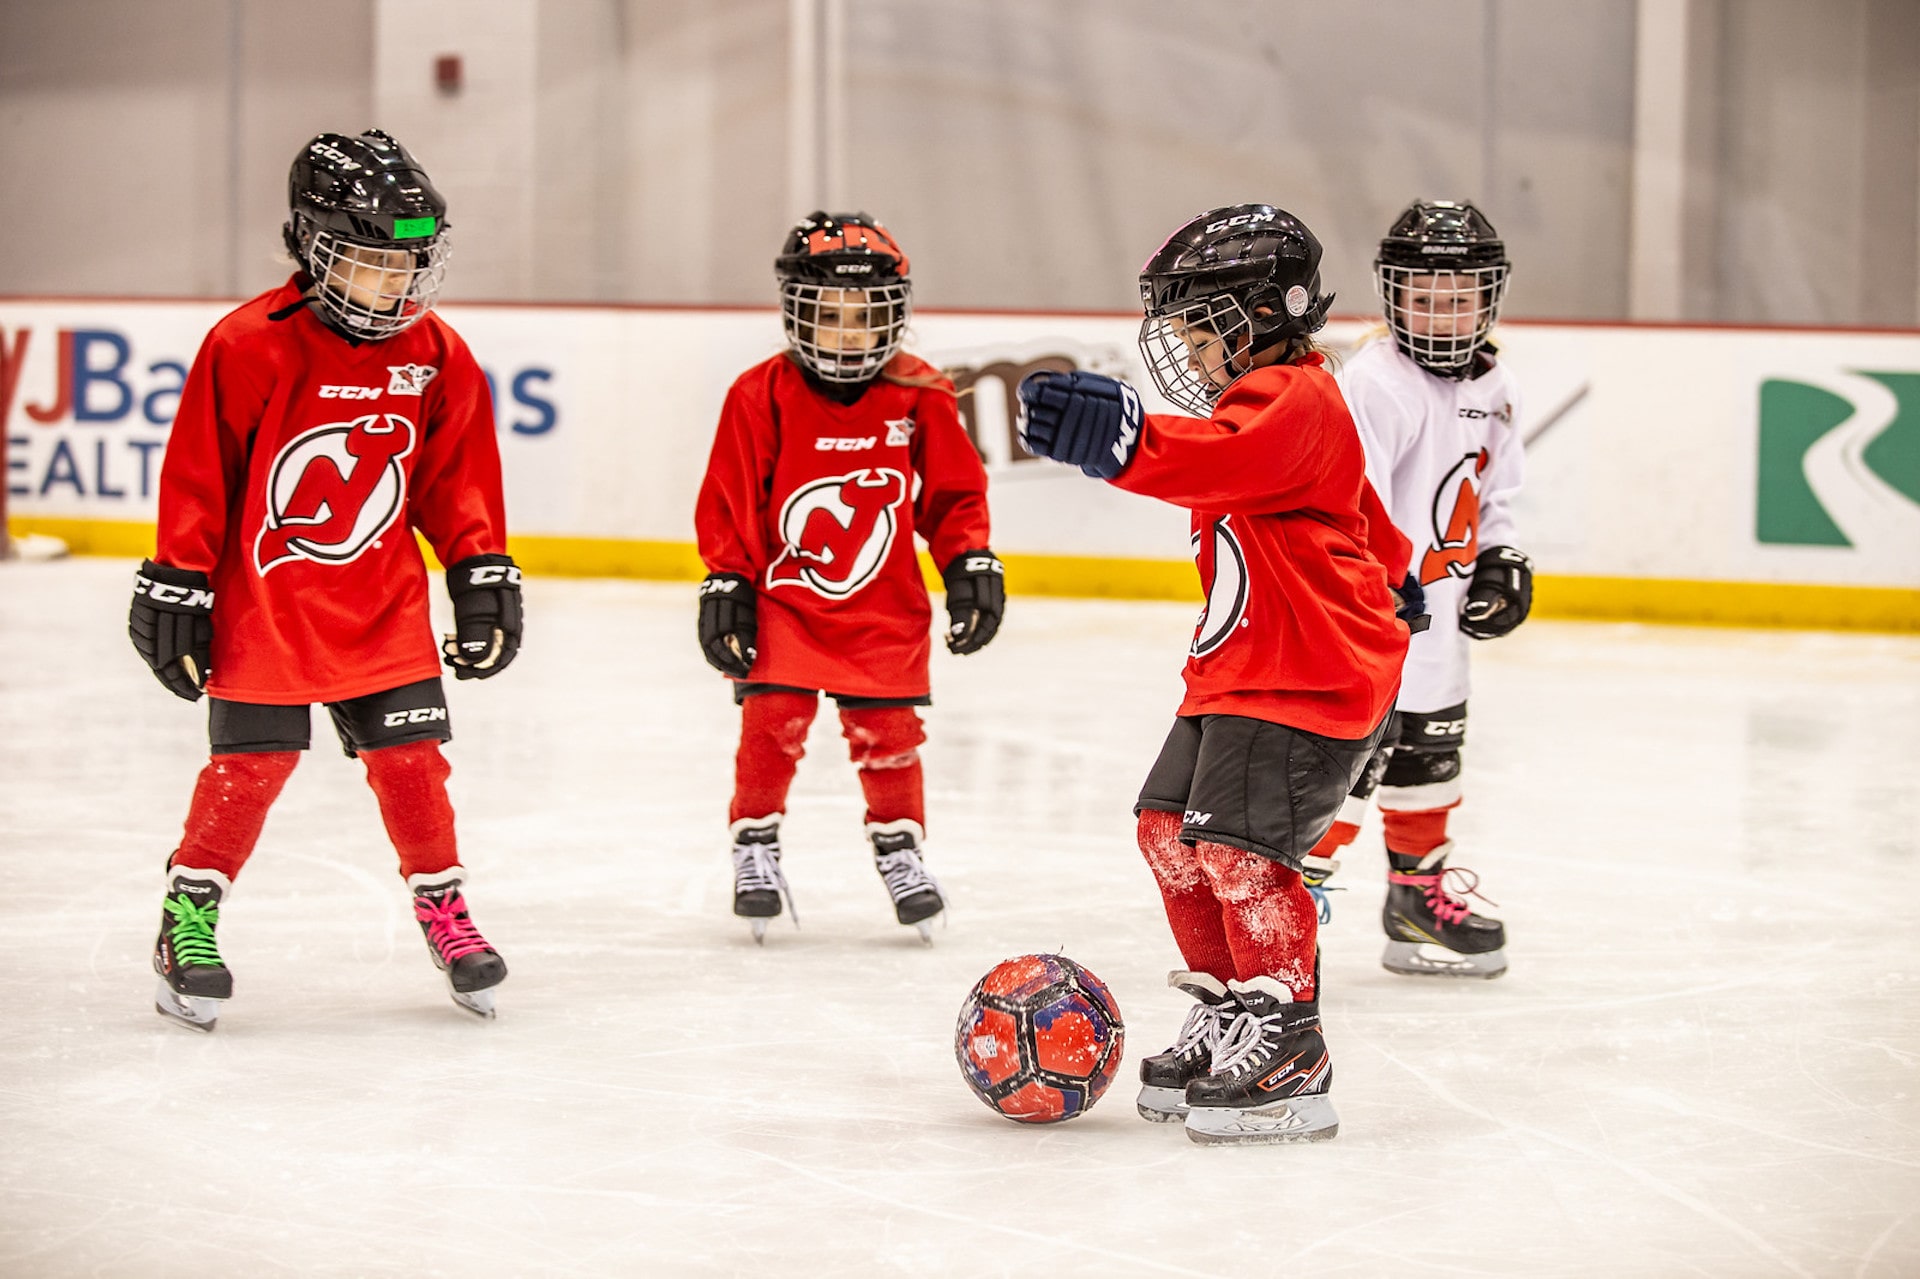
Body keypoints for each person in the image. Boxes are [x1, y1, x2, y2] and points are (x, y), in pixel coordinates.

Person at [1016, 204, 1416, 1144]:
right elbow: (1357, 509)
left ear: (1267, 311)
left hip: (1309, 676)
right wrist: (1402, 576)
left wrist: (1124, 442)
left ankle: (1289, 1036)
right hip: (1239, 672)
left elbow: (1217, 460)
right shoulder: (1278, 403)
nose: (1193, 357)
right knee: (1167, 831)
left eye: (1206, 333)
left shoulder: (1297, 398)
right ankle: (1235, 1005)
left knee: (1242, 852)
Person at [128, 129, 523, 1030]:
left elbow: (455, 477)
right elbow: (200, 475)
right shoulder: (246, 345)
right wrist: (176, 581)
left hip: (382, 610)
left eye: (411, 263)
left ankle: (443, 908)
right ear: (313, 246)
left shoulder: (436, 352)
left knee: (413, 765)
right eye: (374, 261)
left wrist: (479, 570)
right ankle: (188, 916)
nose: (399, 284)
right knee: (250, 769)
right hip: (267, 611)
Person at [694, 211, 1001, 944]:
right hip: (786, 605)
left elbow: (953, 495)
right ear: (796, 313)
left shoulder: (921, 393)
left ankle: (901, 849)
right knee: (772, 725)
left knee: (890, 734)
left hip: (885, 611)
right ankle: (755, 845)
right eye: (828, 316)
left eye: (865, 318)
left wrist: (969, 563)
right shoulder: (757, 393)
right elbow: (732, 497)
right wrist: (726, 584)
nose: (847, 334)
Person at [1305, 199, 1529, 980]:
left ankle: (1415, 901)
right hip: (1372, 624)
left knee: (1430, 761)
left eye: (1458, 296)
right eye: (1423, 295)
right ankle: (1290, 916)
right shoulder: (1376, 384)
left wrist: (1502, 559)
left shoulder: (1494, 385)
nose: (1440, 312)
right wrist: (1374, 580)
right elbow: (1346, 495)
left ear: (1488, 298)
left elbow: (1496, 488)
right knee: (1343, 779)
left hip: (1439, 631)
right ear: (1393, 294)